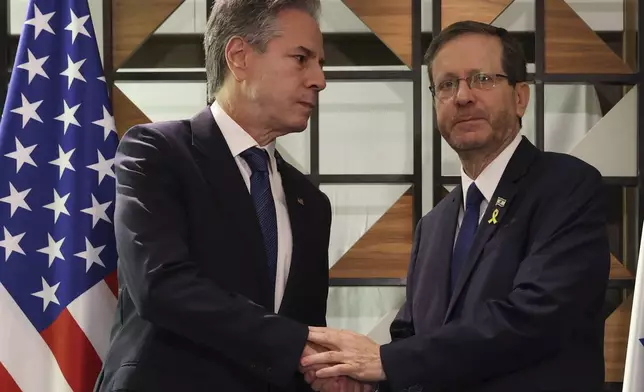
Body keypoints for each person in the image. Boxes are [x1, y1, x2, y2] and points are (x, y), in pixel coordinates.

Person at [300, 20, 611, 392]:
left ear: (520, 97)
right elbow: (410, 339)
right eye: (447, 84)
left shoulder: (567, 185)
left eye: (482, 79)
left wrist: (386, 363)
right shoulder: (434, 224)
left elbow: (535, 317)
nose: (462, 97)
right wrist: (367, 381)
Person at [94, 1, 366, 391]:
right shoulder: (156, 152)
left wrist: (327, 369)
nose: (319, 79)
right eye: (302, 59)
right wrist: (298, 344)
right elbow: (161, 284)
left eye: (320, 63)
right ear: (239, 57)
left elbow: (301, 330)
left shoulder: (311, 203)